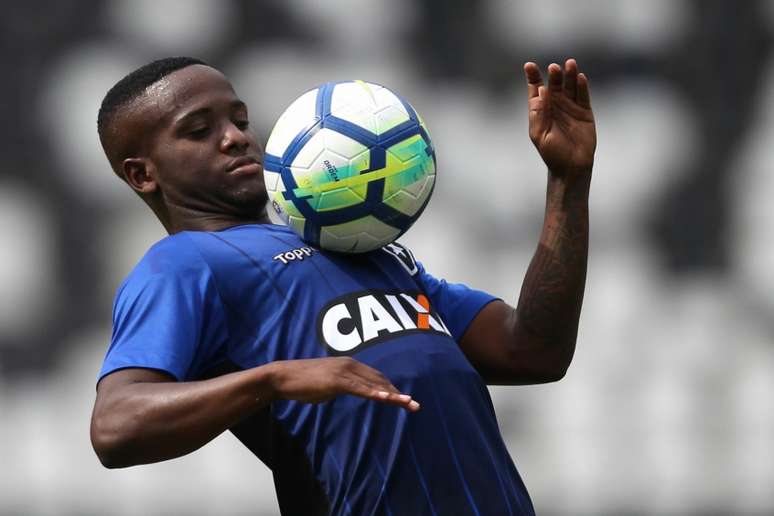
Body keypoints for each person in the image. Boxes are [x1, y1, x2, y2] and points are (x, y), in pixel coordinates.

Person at [90, 56, 596, 516]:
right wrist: (274, 379)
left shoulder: (357, 244)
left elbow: (532, 351)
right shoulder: (185, 264)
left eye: (240, 120)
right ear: (141, 174)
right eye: (200, 130)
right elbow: (116, 426)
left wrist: (567, 183)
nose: (235, 137)